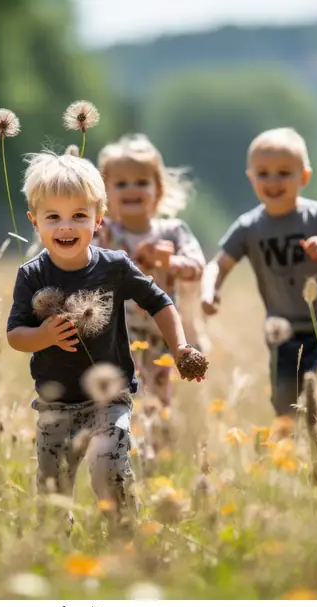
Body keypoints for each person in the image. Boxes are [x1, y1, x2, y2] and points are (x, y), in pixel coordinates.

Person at [6, 151, 203, 527]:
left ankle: (124, 534)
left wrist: (180, 347)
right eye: (53, 217)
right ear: (35, 222)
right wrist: (43, 335)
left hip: (109, 400)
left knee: (107, 470)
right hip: (55, 404)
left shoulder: (114, 266)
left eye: (79, 215)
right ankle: (54, 551)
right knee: (52, 493)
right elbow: (16, 336)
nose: (67, 227)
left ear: (99, 220)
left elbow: (161, 302)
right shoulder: (31, 275)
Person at [201, 127, 317, 423]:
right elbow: (218, 264)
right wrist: (210, 290)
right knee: (285, 406)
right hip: (283, 333)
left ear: (304, 176)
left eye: (284, 172)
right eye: (263, 173)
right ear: (251, 178)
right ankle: (295, 460)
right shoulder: (249, 227)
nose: (273, 181)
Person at [96, 134, 207, 407]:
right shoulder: (105, 232)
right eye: (121, 183)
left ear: (158, 190)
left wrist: (168, 262)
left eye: (141, 182)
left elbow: (196, 267)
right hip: (116, 332)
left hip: (161, 335)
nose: (131, 189)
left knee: (158, 403)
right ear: (105, 193)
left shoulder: (172, 231)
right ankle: (124, 446)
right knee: (118, 398)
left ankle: (155, 448)